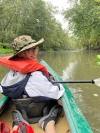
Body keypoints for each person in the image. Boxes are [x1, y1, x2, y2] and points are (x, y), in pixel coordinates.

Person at [0, 35, 65, 133]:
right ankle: (48, 121)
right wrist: (57, 85)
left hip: (22, 109)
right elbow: (56, 93)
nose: (35, 53)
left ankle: (19, 122)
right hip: (40, 110)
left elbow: (2, 89)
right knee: (55, 103)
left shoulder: (12, 71)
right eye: (30, 50)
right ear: (21, 53)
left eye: (35, 48)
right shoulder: (34, 74)